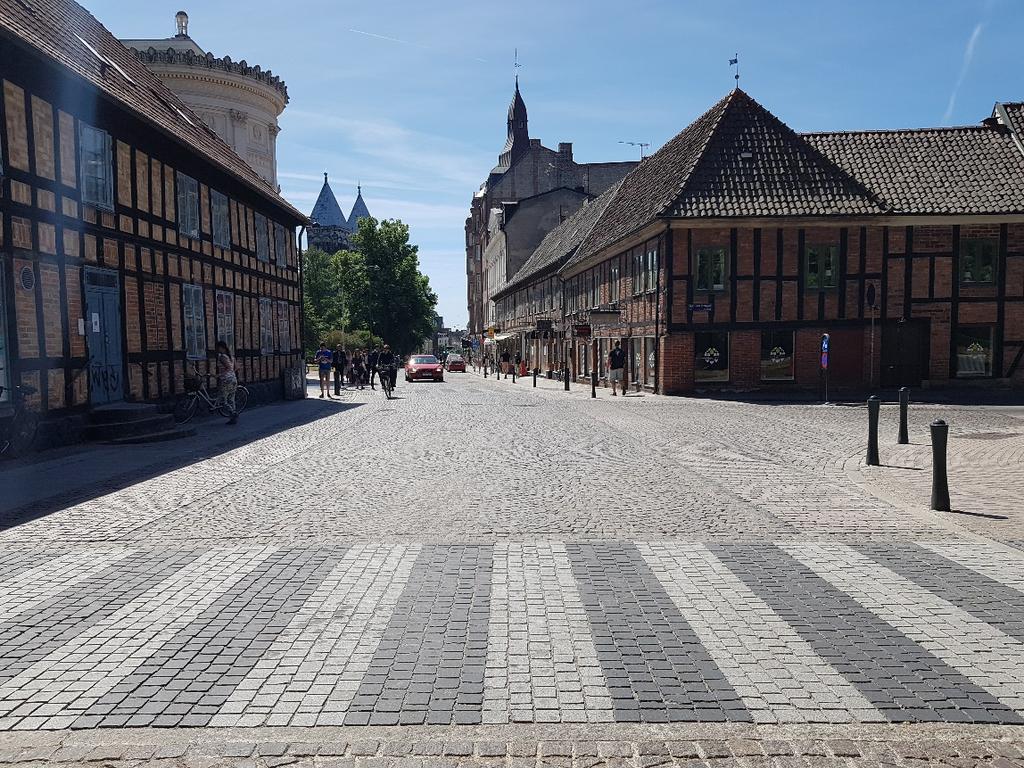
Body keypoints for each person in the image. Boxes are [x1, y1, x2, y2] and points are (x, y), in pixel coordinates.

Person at [216, 340, 239, 424]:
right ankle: (233, 419)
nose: (217, 350)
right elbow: (236, 367)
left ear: (221, 348)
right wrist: (231, 373)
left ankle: (233, 413)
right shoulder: (231, 356)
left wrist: (219, 375)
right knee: (231, 400)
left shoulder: (222, 357)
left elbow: (229, 368)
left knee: (223, 401)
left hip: (226, 381)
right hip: (233, 379)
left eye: (218, 348)